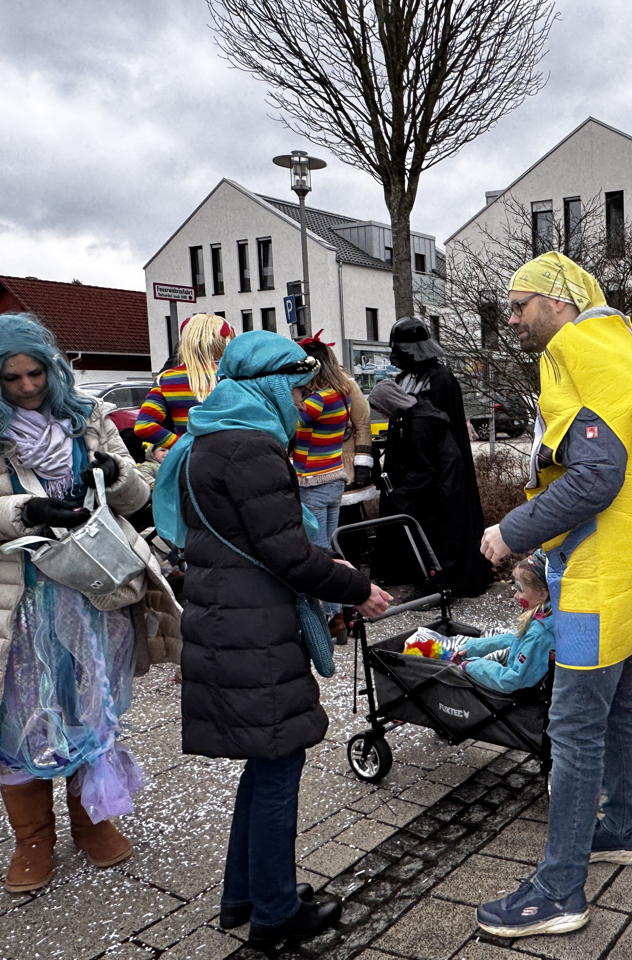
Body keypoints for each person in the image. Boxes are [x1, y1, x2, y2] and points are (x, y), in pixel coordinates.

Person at [151, 331, 391, 947]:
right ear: (265, 385)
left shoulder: (211, 436)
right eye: (293, 387)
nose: (303, 401)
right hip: (253, 629)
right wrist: (355, 586)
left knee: (264, 765)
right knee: (279, 765)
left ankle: (249, 895)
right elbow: (286, 552)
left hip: (229, 620)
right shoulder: (253, 448)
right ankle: (276, 918)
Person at [476, 251, 632, 938]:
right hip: (630, 570)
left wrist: (512, 531)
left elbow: (597, 476)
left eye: (519, 304)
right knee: (617, 699)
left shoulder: (572, 348)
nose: (511, 319)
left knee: (573, 724)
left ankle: (560, 891)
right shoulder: (613, 344)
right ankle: (624, 828)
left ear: (558, 303)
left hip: (596, 579)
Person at [0, 313, 181, 894]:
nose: (28, 387)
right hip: (20, 596)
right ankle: (33, 840)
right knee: (20, 712)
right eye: (11, 378)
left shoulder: (86, 414)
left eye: (35, 373)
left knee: (90, 703)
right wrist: (24, 512)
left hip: (95, 587)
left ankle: (92, 820)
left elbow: (136, 493)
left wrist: (114, 477)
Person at [371, 318, 491, 598]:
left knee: (441, 527)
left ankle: (443, 580)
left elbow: (442, 430)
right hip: (413, 464)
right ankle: (414, 573)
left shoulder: (440, 379)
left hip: (436, 467)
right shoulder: (403, 379)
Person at [291, 333, 353, 628]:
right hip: (334, 479)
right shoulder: (340, 394)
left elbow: (292, 423)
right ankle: (340, 608)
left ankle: (331, 615)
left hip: (313, 482)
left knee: (317, 551)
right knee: (328, 545)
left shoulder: (315, 401)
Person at [449, 552, 555, 694]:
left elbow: (512, 681)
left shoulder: (539, 635)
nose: (515, 595)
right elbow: (516, 638)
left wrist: (470, 666)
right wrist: (471, 648)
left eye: (519, 589)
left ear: (542, 594)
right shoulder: (550, 615)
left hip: (519, 699)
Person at [134, 313, 236, 456]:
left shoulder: (166, 379)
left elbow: (143, 426)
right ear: (224, 340)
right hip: (231, 456)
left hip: (191, 462)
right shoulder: (233, 376)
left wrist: (182, 445)